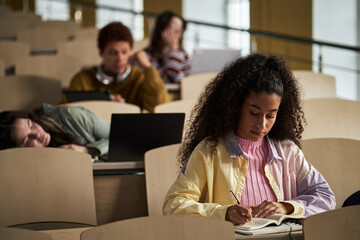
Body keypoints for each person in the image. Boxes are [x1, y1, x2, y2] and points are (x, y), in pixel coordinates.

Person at [163, 53, 336, 225]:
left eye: (270, 116)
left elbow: (325, 197)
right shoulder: (209, 151)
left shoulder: (288, 151)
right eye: (254, 113)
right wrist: (223, 213)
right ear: (235, 105)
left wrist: (287, 207)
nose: (262, 125)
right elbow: (173, 206)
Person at [67, 21, 170, 113]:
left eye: (124, 52)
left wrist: (147, 67)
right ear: (101, 53)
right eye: (113, 53)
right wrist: (104, 105)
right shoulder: (81, 80)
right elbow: (65, 111)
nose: (119, 58)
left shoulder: (140, 77)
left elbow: (161, 107)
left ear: (131, 51)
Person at [0, 103, 109, 160]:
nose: (37, 134)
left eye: (31, 125)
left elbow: (120, 137)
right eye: (27, 139)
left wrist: (87, 150)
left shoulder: (70, 116)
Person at [144, 10, 191, 84]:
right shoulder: (146, 56)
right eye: (174, 29)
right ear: (161, 29)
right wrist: (173, 50)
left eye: (180, 30)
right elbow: (166, 83)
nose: (178, 34)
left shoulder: (184, 55)